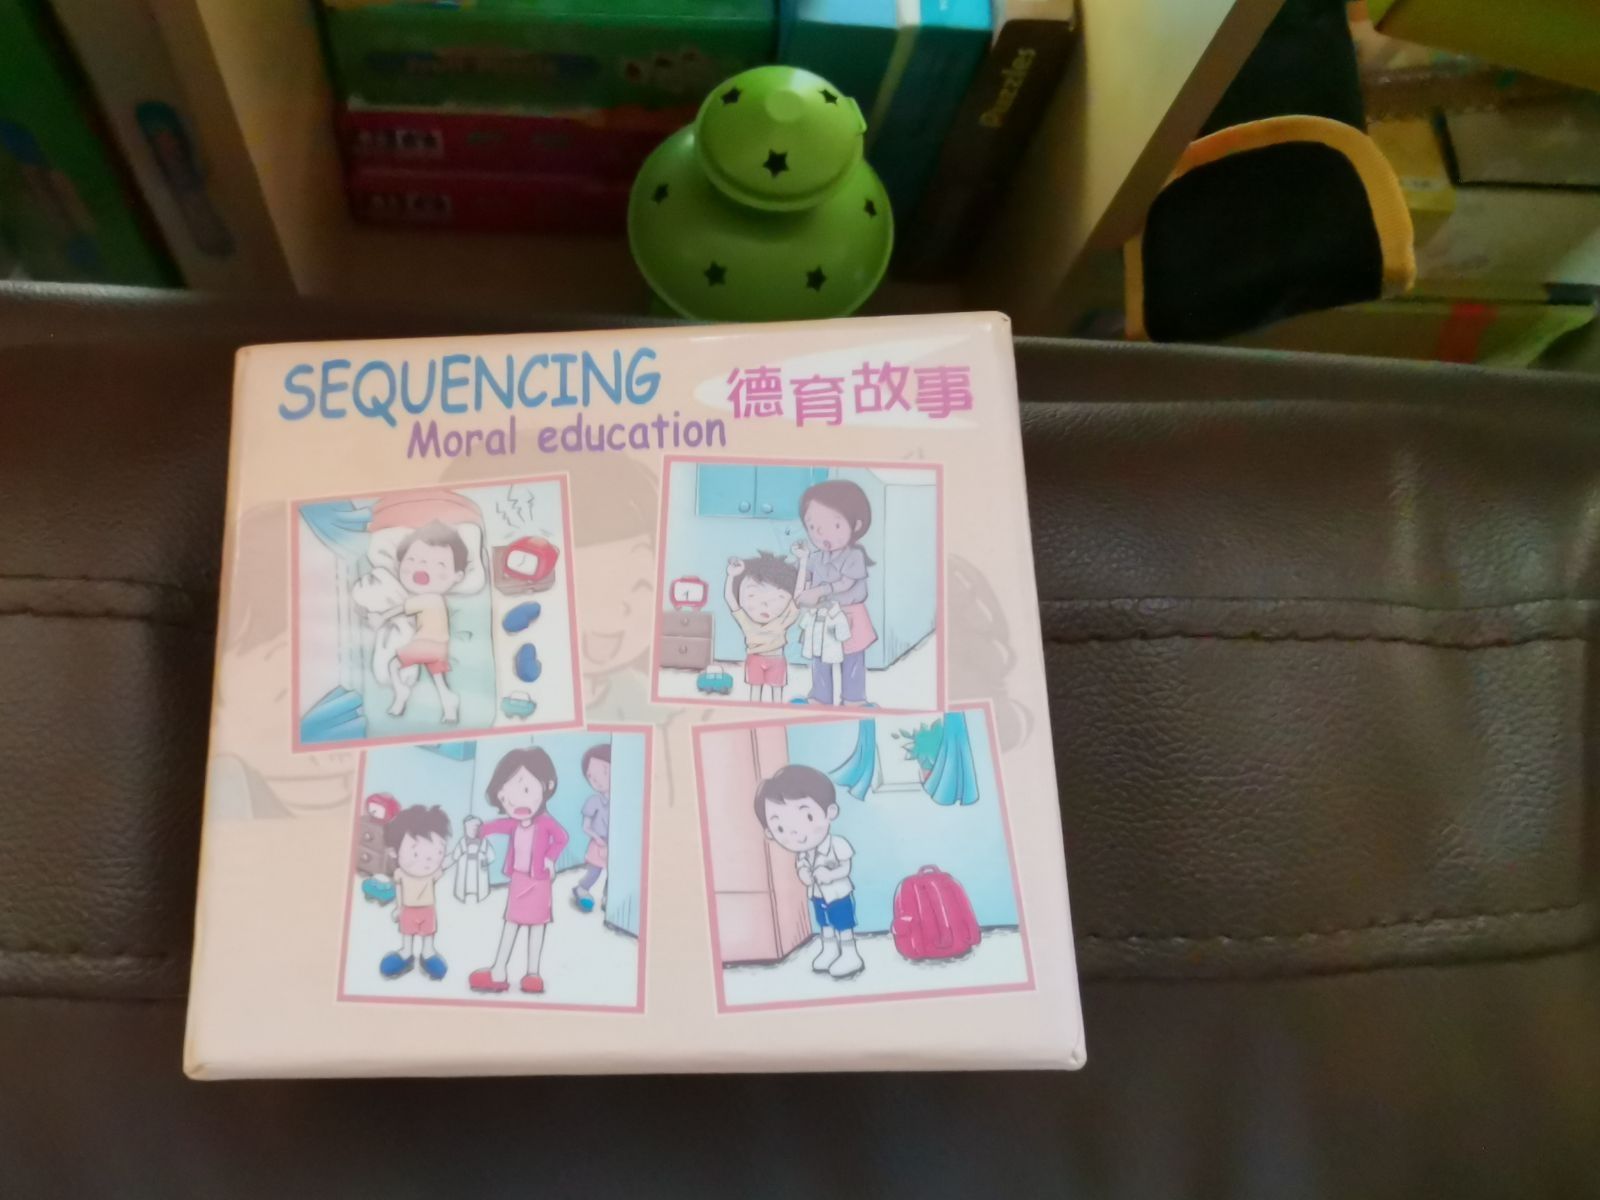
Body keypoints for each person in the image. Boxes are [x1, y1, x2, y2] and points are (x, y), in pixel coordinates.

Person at [469, 747, 568, 995]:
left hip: (540, 881)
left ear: (548, 786)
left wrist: (550, 859)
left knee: (537, 925)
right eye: (507, 799)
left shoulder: (546, 822)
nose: (516, 804)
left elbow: (562, 838)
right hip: (519, 880)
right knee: (511, 923)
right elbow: (497, 826)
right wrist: (479, 830)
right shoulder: (513, 823)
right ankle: (499, 970)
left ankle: (533, 974)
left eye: (525, 791)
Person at [754, 764, 864, 980]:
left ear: (830, 812)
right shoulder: (804, 853)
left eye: (807, 818)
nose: (796, 833)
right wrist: (804, 873)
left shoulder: (837, 844)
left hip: (838, 894)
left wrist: (830, 875)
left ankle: (851, 955)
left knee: (843, 924)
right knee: (825, 923)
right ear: (769, 832)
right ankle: (829, 950)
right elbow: (802, 866)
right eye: (781, 828)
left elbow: (846, 867)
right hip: (818, 894)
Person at [792, 480, 877, 707]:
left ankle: (853, 699)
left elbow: (846, 583)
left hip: (849, 615)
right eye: (813, 527)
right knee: (820, 658)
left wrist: (820, 591)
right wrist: (802, 561)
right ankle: (820, 697)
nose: (822, 534)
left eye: (834, 525)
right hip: (821, 617)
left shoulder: (854, 556)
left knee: (852, 658)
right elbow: (803, 578)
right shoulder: (816, 558)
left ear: (856, 525)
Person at [374, 521, 468, 722]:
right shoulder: (438, 599)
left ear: (458, 576)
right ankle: (449, 703)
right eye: (413, 559)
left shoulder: (427, 598)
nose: (423, 567)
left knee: (393, 665)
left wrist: (381, 617)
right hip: (440, 647)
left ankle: (401, 692)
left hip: (426, 643)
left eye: (439, 564)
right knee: (438, 680)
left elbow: (400, 609)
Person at [379, 805, 452, 982]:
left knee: (428, 933)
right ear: (394, 852)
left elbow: (446, 864)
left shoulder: (432, 874)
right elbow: (399, 890)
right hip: (408, 909)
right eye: (417, 853)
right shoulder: (400, 874)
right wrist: (398, 908)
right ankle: (406, 953)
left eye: (438, 852)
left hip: (428, 909)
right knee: (407, 932)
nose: (428, 861)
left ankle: (428, 953)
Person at [724, 550, 802, 704]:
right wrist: (731, 576)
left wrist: (803, 561)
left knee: (777, 696)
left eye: (779, 597)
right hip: (755, 659)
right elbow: (730, 598)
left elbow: (799, 594)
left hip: (777, 659)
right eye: (752, 595)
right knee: (755, 694)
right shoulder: (746, 621)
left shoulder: (783, 621)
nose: (765, 604)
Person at [574, 744, 612, 913]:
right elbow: (586, 827)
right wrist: (598, 840)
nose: (596, 780)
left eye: (603, 771)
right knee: (594, 872)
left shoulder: (622, 800)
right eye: (591, 776)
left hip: (614, 844)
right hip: (598, 843)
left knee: (614, 874)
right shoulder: (593, 801)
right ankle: (581, 889)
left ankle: (608, 897)